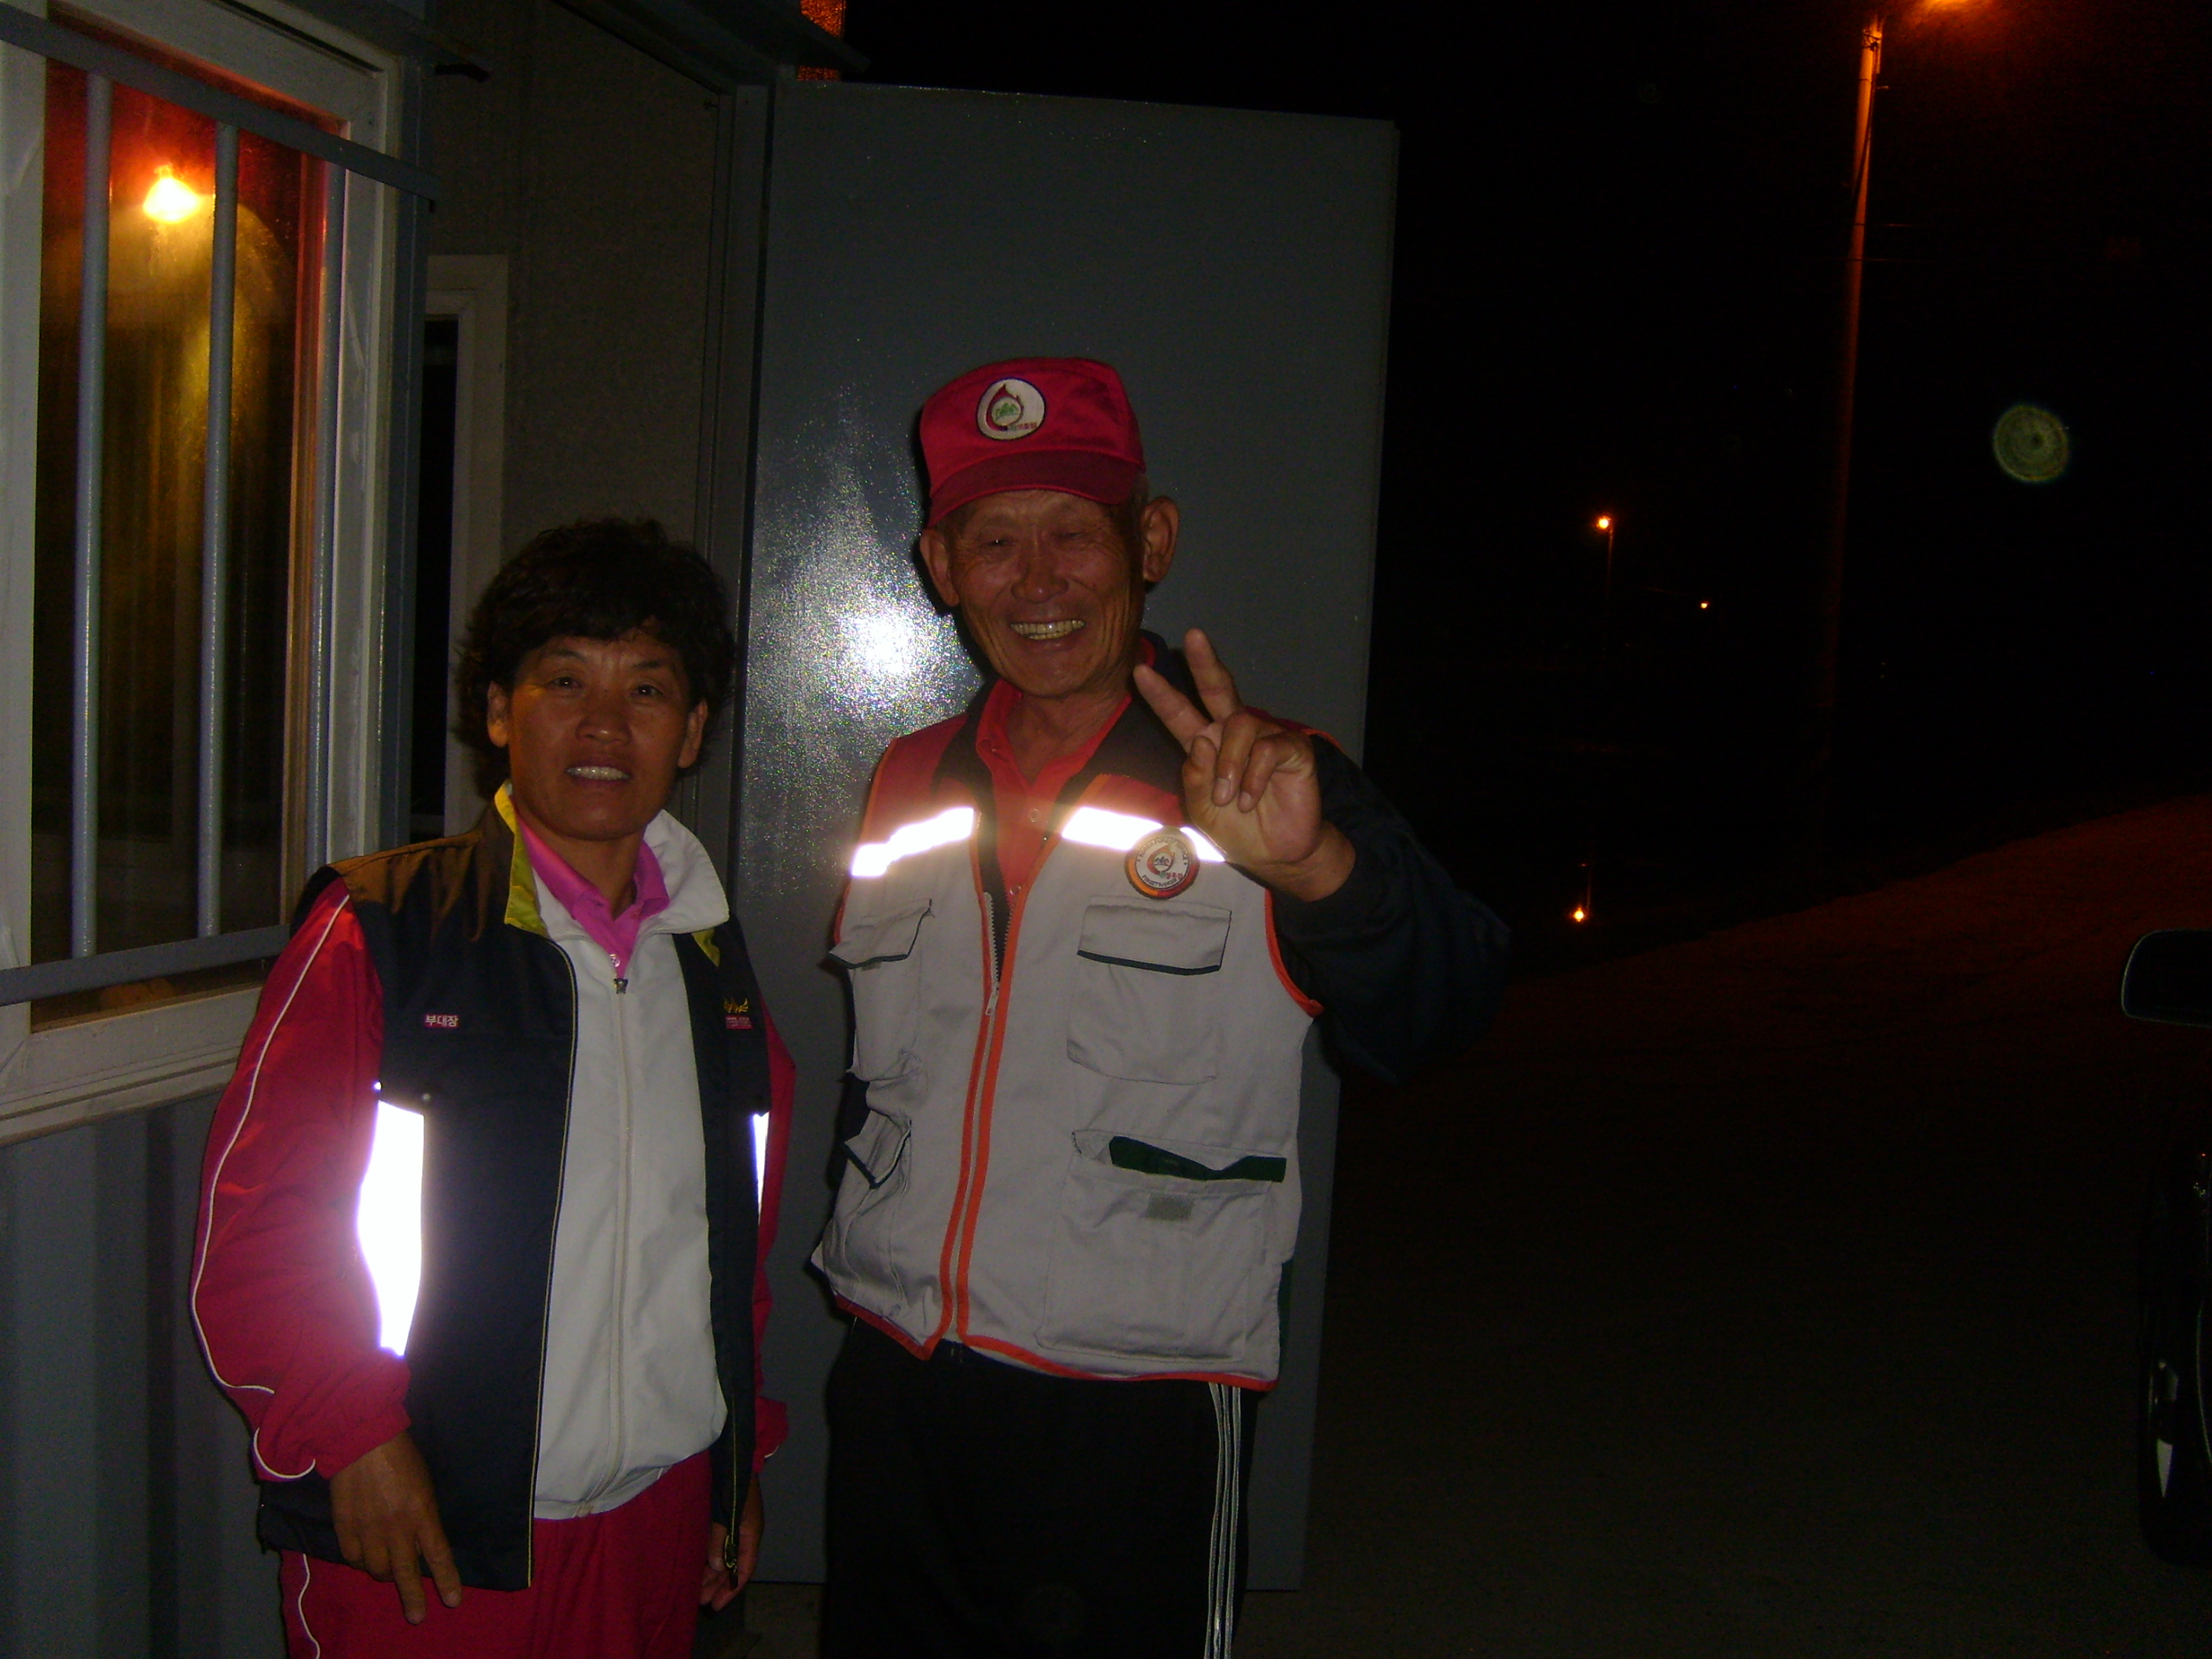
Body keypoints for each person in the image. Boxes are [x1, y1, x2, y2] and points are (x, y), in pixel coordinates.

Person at [815, 357, 1511, 1657]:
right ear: (941, 566)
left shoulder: (1265, 777)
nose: (1038, 582)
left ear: (1152, 543)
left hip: (1136, 1407)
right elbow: (888, 1073)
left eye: (1075, 535)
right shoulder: (906, 780)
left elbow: (1441, 1014)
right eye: (994, 540)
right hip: (899, 1382)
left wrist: (1317, 870)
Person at [191, 519, 791, 1659]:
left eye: (648, 688)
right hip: (424, 1517)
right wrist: (352, 1436)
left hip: (657, 1515)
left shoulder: (713, 961)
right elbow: (261, 1229)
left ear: (692, 730)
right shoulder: (384, 932)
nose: (604, 724)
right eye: (565, 680)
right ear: (501, 711)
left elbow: (731, 1244)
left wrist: (735, 1456)